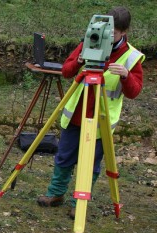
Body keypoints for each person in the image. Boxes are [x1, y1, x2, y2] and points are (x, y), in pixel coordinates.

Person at [37, 6, 144, 218]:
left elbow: (134, 92)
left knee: (90, 164)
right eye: (106, 31)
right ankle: (56, 193)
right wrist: (78, 61)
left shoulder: (131, 57)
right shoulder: (89, 42)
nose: (108, 36)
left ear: (124, 32)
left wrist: (125, 75)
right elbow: (66, 72)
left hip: (100, 121)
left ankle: (80, 204)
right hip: (76, 114)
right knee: (64, 156)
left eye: (113, 34)